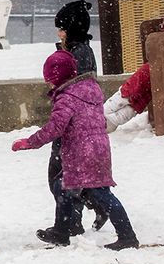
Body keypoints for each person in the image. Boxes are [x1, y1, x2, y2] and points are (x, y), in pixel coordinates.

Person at [12, 50, 139, 251]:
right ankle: (62, 232)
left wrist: (30, 142)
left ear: (58, 76)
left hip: (82, 152)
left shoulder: (67, 98)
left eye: (49, 79)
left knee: (100, 194)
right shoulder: (90, 89)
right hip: (98, 148)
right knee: (62, 186)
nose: (47, 83)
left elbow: (55, 127)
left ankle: (127, 236)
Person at [42, 0, 108, 236]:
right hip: (78, 126)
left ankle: (76, 219)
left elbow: (71, 91)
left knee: (60, 176)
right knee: (67, 175)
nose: (59, 33)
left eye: (62, 29)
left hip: (73, 127)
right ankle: (83, 212)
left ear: (71, 30)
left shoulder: (76, 54)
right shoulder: (80, 51)